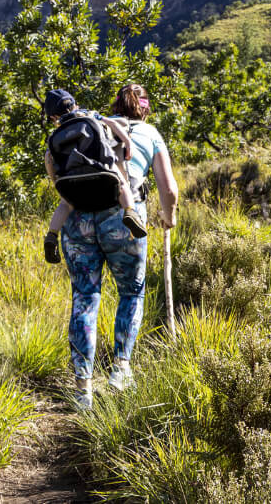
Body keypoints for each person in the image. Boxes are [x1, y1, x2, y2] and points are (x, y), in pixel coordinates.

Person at [59, 83, 179, 409]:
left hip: (78, 220)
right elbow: (169, 189)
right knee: (130, 292)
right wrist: (169, 218)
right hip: (123, 219)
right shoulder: (150, 133)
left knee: (85, 296)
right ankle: (120, 369)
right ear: (145, 108)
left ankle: (82, 388)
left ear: (116, 104)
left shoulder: (92, 127)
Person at [43, 90, 146, 267]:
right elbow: (113, 124)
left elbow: (51, 164)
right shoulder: (90, 114)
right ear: (74, 103)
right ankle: (129, 211)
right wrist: (127, 143)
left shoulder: (59, 129)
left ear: (53, 116)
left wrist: (60, 183)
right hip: (101, 170)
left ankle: (52, 234)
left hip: (70, 179)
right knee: (122, 184)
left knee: (64, 203)